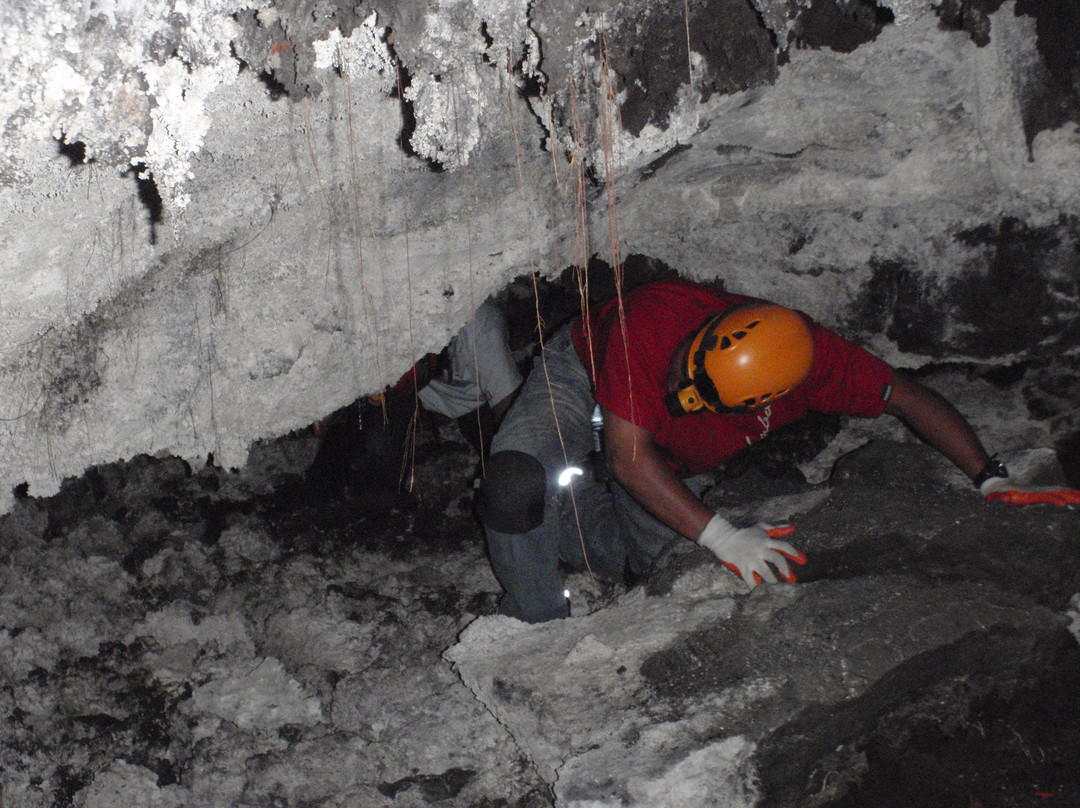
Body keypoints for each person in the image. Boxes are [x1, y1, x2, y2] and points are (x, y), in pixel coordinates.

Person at [476, 277, 1079, 623]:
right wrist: (721, 534)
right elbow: (630, 459)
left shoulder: (818, 362)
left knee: (646, 567)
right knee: (515, 486)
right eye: (688, 375)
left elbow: (909, 397)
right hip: (584, 373)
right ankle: (534, 616)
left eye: (701, 397)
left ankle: (574, 517)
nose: (680, 395)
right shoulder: (653, 319)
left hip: (664, 450)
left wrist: (990, 480)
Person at [304, 298, 521, 499]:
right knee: (376, 443)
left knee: (505, 468)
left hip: (475, 401)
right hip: (407, 391)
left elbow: (511, 411)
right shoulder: (395, 320)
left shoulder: (481, 334)